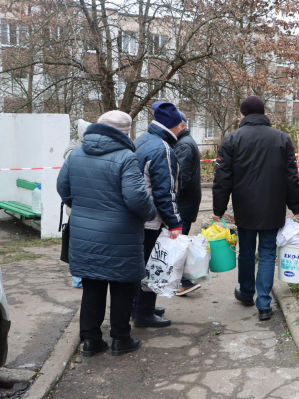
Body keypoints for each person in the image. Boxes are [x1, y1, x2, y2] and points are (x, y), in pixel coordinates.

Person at [57, 110, 157, 357]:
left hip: (84, 235)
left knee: (92, 287)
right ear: (126, 131)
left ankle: (91, 341)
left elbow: (63, 188)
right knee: (123, 287)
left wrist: (82, 206)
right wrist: (150, 212)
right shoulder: (126, 156)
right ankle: (120, 339)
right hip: (120, 236)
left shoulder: (76, 153)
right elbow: (136, 198)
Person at [212, 96, 299, 321]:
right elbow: (291, 177)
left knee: (245, 251)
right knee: (266, 253)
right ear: (264, 113)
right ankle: (264, 304)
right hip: (273, 207)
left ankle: (245, 293)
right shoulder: (282, 138)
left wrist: (218, 208)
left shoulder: (232, 139)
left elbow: (222, 178)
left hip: (244, 206)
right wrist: (297, 206)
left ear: (243, 114)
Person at [132, 101, 183, 327]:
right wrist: (174, 223)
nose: (182, 129)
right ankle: (143, 313)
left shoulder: (142, 139)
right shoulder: (162, 149)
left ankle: (141, 306)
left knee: (141, 265)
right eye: (180, 125)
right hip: (151, 219)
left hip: (136, 216)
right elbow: (165, 192)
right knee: (152, 265)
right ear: (171, 125)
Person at [173, 111, 202, 296]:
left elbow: (181, 178)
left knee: (178, 244)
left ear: (182, 126)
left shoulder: (183, 145)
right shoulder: (184, 142)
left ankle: (183, 282)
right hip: (186, 203)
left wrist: (172, 199)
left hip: (183, 204)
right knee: (179, 243)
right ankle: (181, 281)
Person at [62, 119, 91, 289]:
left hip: (79, 204)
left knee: (83, 242)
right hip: (77, 206)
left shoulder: (75, 151)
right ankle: (78, 278)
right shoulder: (75, 152)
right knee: (78, 244)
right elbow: (65, 184)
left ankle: (81, 276)